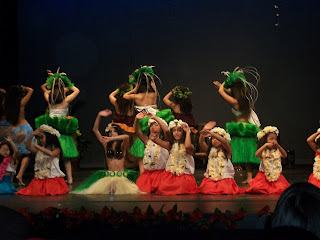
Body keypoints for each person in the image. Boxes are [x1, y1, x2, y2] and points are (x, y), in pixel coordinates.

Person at [72, 109, 144, 194]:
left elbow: (126, 137)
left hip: (121, 178)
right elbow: (95, 130)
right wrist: (99, 115)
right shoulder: (106, 145)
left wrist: (111, 138)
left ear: (118, 133)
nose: (112, 133)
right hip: (109, 176)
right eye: (110, 132)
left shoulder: (122, 146)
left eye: (114, 132)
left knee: (121, 190)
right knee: (108, 189)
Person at [213, 66, 261, 184]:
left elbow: (221, 92)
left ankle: (226, 174)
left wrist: (227, 81)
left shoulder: (235, 102)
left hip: (240, 129)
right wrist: (222, 86)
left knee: (235, 152)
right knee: (246, 153)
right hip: (247, 128)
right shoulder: (244, 100)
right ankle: (249, 177)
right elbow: (227, 90)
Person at [35, 68, 80, 184]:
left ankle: (49, 175)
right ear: (62, 90)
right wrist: (63, 80)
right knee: (66, 157)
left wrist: (53, 79)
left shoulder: (49, 99)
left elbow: (43, 88)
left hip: (51, 129)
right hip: (62, 129)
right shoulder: (66, 100)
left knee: (51, 152)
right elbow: (76, 90)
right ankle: (69, 178)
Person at [123, 65, 174, 159]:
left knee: (144, 142)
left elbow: (125, 96)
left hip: (144, 120)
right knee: (160, 140)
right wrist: (149, 77)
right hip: (156, 118)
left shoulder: (137, 96)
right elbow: (153, 85)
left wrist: (134, 87)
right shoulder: (153, 94)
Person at [16, 124, 69, 196]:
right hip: (40, 178)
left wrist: (37, 146)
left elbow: (51, 154)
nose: (40, 140)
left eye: (42, 138)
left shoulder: (56, 149)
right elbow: (28, 147)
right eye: (39, 138)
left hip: (52, 179)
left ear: (49, 137)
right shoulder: (40, 149)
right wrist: (31, 135)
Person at [152, 119, 198, 195]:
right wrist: (153, 137)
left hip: (184, 175)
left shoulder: (190, 147)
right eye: (174, 130)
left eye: (179, 130)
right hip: (172, 175)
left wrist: (187, 132)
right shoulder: (171, 145)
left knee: (181, 187)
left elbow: (187, 146)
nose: (176, 133)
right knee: (164, 188)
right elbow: (157, 140)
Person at [198, 121, 245, 195]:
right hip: (212, 178)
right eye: (213, 138)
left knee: (226, 189)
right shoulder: (210, 151)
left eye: (217, 137)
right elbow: (201, 142)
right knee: (208, 188)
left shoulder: (227, 151)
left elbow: (224, 142)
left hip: (224, 178)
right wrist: (204, 131)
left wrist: (213, 134)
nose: (215, 139)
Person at [245, 126, 290, 194]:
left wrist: (278, 146)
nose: (274, 141)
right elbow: (257, 154)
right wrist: (265, 146)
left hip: (277, 176)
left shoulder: (277, 150)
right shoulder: (263, 151)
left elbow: (285, 155)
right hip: (264, 177)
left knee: (282, 188)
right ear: (265, 140)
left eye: (275, 139)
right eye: (271, 139)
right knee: (257, 188)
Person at [4, 85, 34, 186]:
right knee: (28, 153)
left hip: (14, 131)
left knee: (16, 155)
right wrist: (21, 87)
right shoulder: (21, 103)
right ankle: (20, 175)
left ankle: (10, 177)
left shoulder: (5, 105)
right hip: (25, 128)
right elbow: (31, 90)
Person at [134, 111, 170, 193]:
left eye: (156, 125)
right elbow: (137, 131)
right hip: (148, 176)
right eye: (151, 126)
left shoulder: (165, 141)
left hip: (162, 175)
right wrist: (136, 119)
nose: (153, 127)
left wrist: (155, 117)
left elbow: (167, 130)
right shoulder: (147, 141)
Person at [109, 83, 139, 170]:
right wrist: (134, 88)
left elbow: (111, 95)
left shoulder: (116, 103)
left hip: (118, 132)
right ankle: (128, 168)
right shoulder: (132, 105)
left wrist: (119, 89)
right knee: (128, 151)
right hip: (129, 133)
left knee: (118, 148)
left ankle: (117, 168)